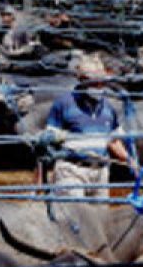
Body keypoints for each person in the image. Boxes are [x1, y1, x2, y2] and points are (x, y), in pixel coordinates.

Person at [43, 53, 131, 197]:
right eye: (94, 82)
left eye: (102, 82)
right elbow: (50, 137)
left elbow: (113, 141)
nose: (99, 86)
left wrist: (129, 160)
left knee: (99, 217)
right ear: (82, 80)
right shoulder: (63, 104)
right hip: (71, 171)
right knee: (76, 215)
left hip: (100, 173)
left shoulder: (109, 108)